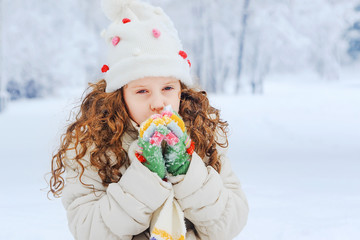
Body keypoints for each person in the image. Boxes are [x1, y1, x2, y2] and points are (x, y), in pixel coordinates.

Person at [49, 0, 249, 239]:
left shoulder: (203, 135)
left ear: (181, 89)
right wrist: (146, 175)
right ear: (119, 96)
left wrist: (186, 170)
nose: (158, 102)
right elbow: (90, 230)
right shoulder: (91, 147)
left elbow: (230, 222)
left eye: (167, 88)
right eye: (142, 91)